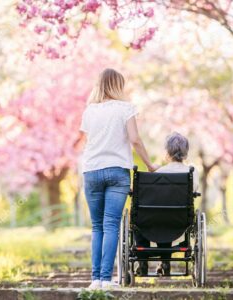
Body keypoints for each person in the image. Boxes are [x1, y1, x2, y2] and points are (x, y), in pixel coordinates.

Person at [80, 68, 159, 289]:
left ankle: (95, 280)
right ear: (118, 86)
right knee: (111, 225)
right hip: (117, 172)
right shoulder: (126, 108)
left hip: (92, 170)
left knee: (97, 227)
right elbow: (135, 139)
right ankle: (106, 279)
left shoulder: (89, 111)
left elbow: (89, 141)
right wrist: (150, 164)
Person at [136, 132, 199, 276]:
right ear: (186, 152)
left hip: (152, 220)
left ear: (167, 152)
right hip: (179, 220)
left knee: (145, 218)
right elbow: (195, 189)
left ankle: (142, 261)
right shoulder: (192, 173)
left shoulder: (157, 172)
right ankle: (165, 261)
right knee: (168, 218)